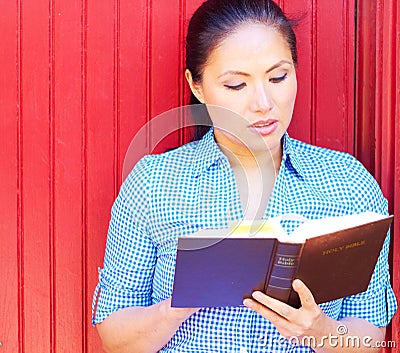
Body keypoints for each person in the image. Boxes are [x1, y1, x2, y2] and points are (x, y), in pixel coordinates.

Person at [91, 0, 397, 352]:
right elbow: (116, 338)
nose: (264, 103)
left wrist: (316, 329)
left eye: (278, 77)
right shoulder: (155, 183)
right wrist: (180, 303)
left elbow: (369, 340)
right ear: (197, 86)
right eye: (237, 85)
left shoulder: (348, 183)